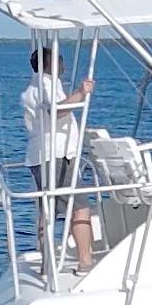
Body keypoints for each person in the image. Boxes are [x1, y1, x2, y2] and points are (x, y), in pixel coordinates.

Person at [21, 43, 97, 270]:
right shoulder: (45, 87)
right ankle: (85, 261)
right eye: (60, 59)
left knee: (47, 211)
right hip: (55, 156)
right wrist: (81, 93)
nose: (63, 62)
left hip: (42, 156)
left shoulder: (35, 87)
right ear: (52, 64)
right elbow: (56, 110)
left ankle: (47, 263)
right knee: (79, 207)